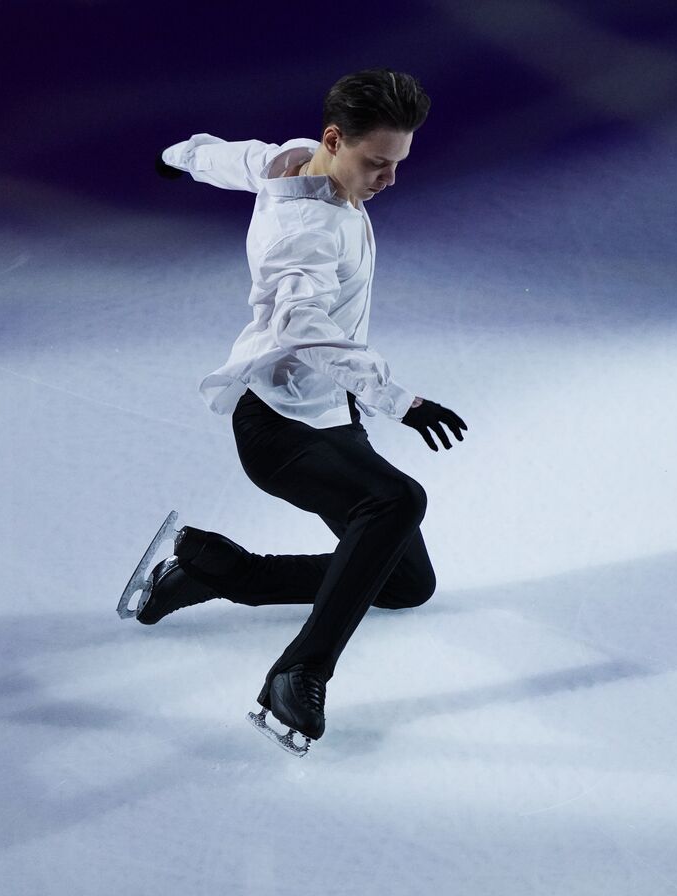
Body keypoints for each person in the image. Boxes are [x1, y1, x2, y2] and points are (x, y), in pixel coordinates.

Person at [140, 68, 466, 755]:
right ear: (334, 140)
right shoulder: (304, 232)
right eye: (377, 163)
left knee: (408, 584)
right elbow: (305, 329)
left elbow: (232, 156)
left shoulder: (291, 159)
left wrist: (180, 156)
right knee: (397, 501)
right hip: (279, 430)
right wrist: (399, 401)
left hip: (326, 415)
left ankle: (218, 569)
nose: (388, 180)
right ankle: (299, 671)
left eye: (397, 163)